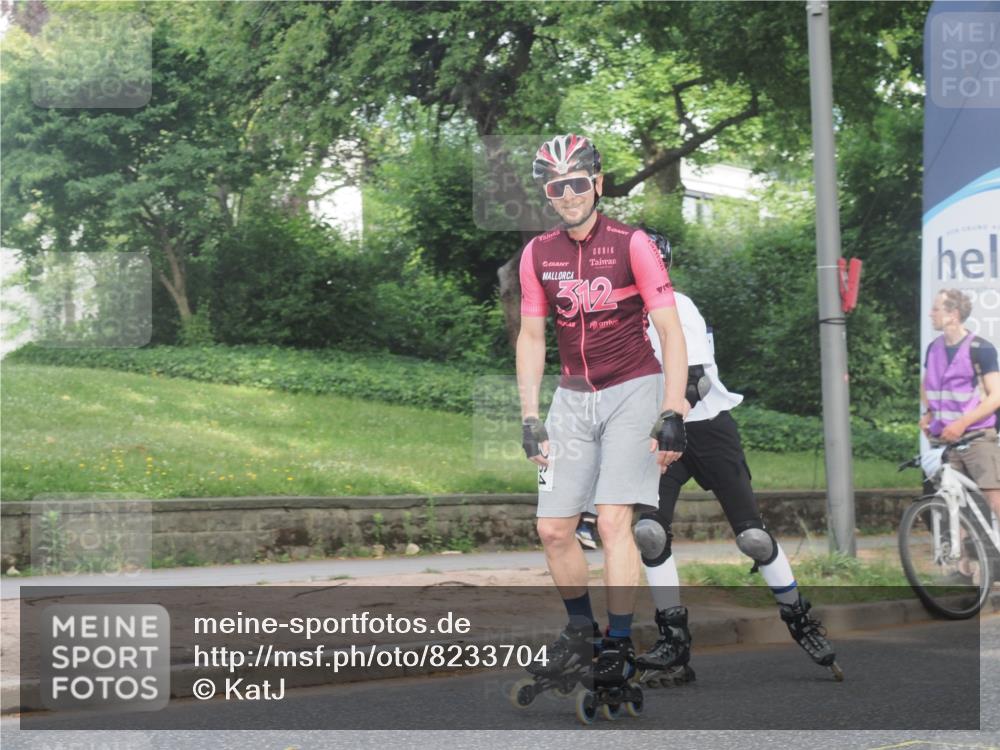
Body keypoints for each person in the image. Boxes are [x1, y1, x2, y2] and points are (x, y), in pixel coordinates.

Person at [517, 134, 689, 689]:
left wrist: (672, 410)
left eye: (575, 183)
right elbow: (531, 334)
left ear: (597, 182)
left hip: (635, 389)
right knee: (552, 529)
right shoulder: (538, 253)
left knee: (614, 522)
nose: (566, 195)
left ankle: (617, 642)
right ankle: (580, 632)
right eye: (555, 187)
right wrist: (529, 414)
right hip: (572, 398)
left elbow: (669, 329)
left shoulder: (633, 243)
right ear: (547, 193)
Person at [631, 230, 840, 682]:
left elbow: (698, 380)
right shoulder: (618, 315)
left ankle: (798, 617)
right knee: (649, 532)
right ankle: (673, 642)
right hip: (657, 433)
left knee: (753, 539)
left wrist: (670, 419)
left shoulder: (677, 306)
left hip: (705, 427)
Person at [920, 289, 1000, 529]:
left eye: (936, 309)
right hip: (945, 440)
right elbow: (927, 385)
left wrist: (962, 423)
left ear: (953, 314)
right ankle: (964, 565)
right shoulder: (933, 348)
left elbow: (996, 396)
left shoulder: (981, 348)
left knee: (994, 498)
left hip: (976, 437)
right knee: (953, 505)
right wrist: (930, 413)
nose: (930, 314)